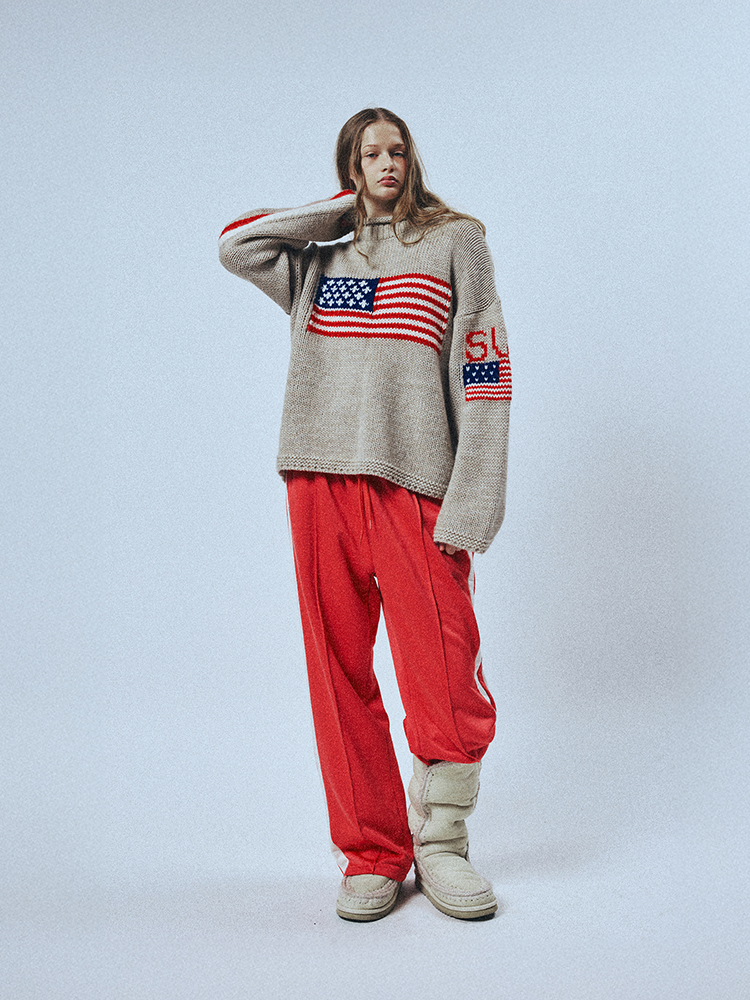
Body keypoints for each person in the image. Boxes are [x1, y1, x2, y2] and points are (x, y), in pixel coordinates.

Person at [219, 108, 511, 921]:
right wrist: (346, 213)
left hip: (414, 484)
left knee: (443, 674)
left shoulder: (456, 243)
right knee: (337, 674)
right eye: (369, 154)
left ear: (414, 158)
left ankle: (442, 842)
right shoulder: (318, 263)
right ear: (350, 168)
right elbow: (237, 246)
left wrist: (473, 500)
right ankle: (373, 851)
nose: (387, 163)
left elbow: (485, 372)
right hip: (319, 482)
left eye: (398, 151)